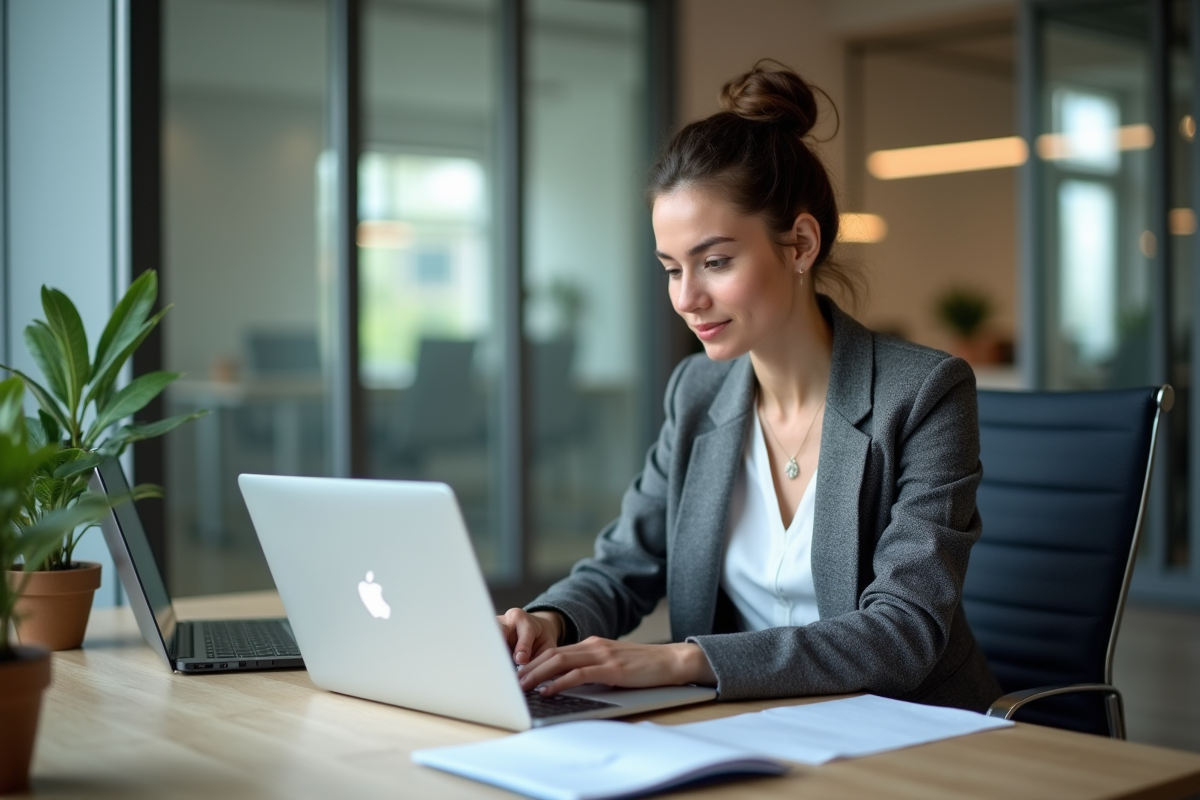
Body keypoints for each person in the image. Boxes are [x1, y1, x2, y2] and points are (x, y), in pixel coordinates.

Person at [498, 61, 1002, 712]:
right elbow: (626, 563)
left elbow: (903, 635)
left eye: (715, 261)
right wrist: (548, 622)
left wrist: (685, 661)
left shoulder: (924, 393)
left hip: (909, 731)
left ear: (800, 244)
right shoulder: (697, 394)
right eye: (671, 268)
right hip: (749, 724)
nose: (687, 297)